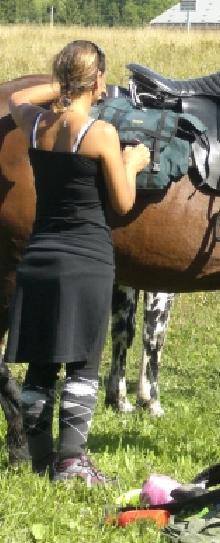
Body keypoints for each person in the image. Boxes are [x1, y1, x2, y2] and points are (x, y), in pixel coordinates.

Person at [5, 41, 150, 485]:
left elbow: (15, 98)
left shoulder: (33, 125)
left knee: (42, 363)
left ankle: (39, 458)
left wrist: (61, 87)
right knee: (83, 362)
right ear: (100, 80)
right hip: (86, 258)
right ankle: (72, 463)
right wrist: (133, 162)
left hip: (40, 256)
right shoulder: (100, 134)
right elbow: (123, 204)